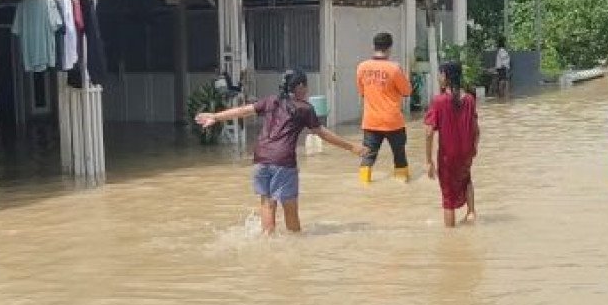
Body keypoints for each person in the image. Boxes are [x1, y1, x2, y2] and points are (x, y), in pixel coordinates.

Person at [196, 70, 365, 235]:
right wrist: (351, 147)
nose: (307, 91)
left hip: (260, 159)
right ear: (299, 86)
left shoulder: (270, 101)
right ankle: (295, 246)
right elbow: (322, 133)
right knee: (290, 208)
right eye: (306, 87)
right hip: (283, 161)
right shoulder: (304, 108)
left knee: (267, 204)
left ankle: (267, 242)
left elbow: (243, 111)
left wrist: (215, 117)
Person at [425, 61, 480, 227]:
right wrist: (474, 147)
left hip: (448, 155)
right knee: (466, 179)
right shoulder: (469, 99)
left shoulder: (439, 101)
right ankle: (471, 213)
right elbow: (476, 129)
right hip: (467, 151)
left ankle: (450, 235)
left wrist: (428, 160)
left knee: (448, 198)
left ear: (446, 77)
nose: (439, 78)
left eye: (440, 74)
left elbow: (428, 133)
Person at [356, 32, 413, 183]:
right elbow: (407, 92)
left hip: (371, 121)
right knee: (399, 156)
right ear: (389, 48)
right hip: (393, 121)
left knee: (367, 156)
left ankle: (364, 186)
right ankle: (402, 187)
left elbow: (362, 93)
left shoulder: (362, 67)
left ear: (374, 46)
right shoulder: (394, 69)